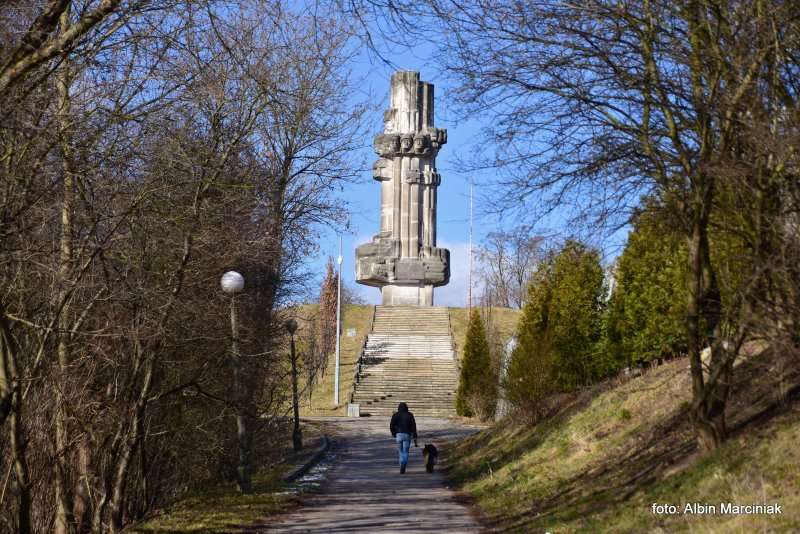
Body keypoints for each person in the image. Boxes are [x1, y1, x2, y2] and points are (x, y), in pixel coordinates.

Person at [389, 402, 418, 474]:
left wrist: (393, 433)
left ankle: (401, 464)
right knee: (406, 451)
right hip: (407, 435)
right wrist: (415, 436)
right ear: (407, 408)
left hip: (398, 435)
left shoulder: (395, 415)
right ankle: (403, 464)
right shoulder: (410, 415)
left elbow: (391, 425)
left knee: (400, 451)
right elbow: (413, 426)